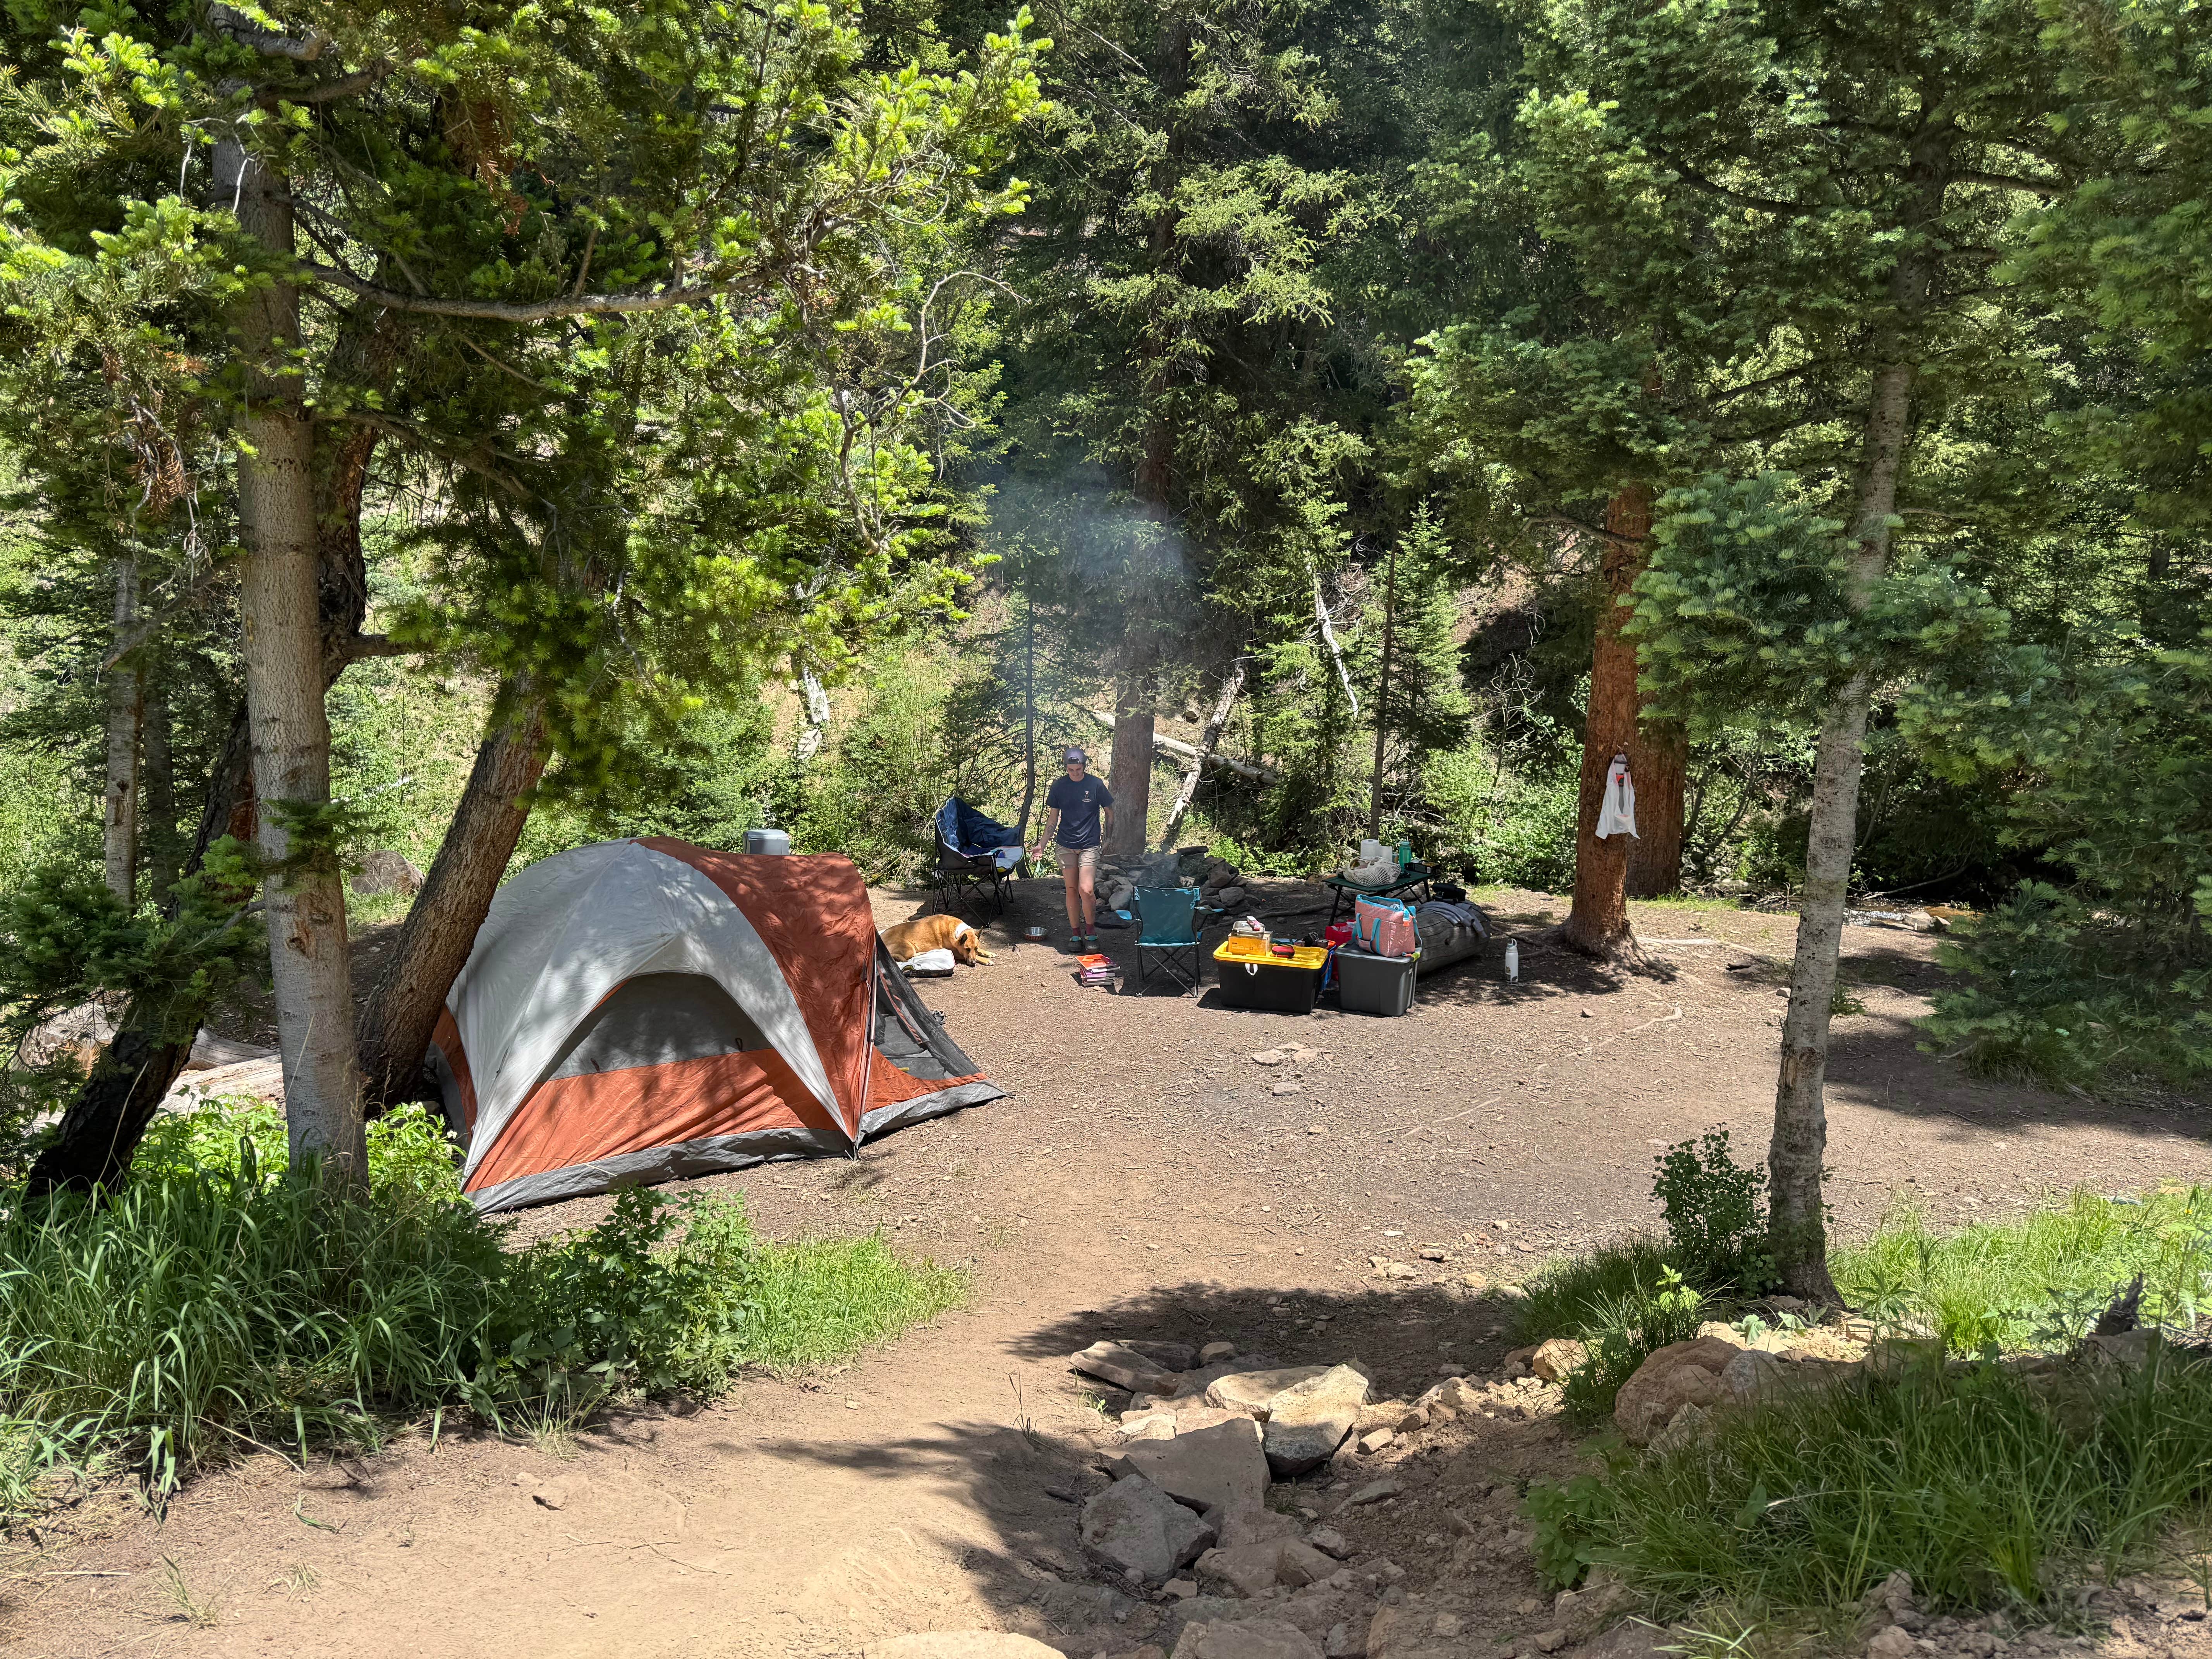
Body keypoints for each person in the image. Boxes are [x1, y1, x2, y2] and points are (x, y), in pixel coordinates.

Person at [1031, 746, 1114, 948]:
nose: (1075, 773)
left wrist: (1108, 839)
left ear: (1084, 766)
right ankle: (1076, 934)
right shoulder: (1059, 787)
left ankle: (1091, 930)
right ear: (1067, 768)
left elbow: (1110, 813)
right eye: (1071, 770)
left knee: (1086, 889)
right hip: (1065, 844)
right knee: (1071, 889)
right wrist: (1042, 845)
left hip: (1090, 844)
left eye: (1079, 769)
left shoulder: (1096, 785)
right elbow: (1053, 819)